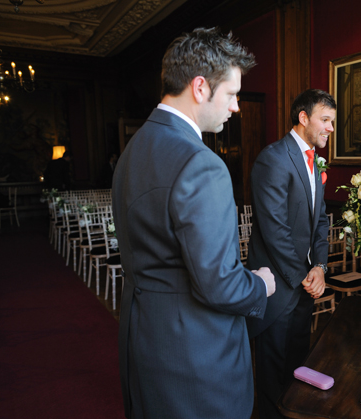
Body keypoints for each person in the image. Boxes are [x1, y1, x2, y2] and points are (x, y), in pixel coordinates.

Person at [111, 27, 276, 419]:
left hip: (142, 338)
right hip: (195, 357)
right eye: (232, 94)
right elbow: (219, 284)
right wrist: (260, 284)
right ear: (200, 87)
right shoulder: (201, 164)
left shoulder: (134, 148)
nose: (236, 107)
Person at [247, 89, 333, 419]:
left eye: (332, 122)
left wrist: (321, 267)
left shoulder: (313, 161)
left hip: (305, 284)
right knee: (271, 375)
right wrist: (303, 276)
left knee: (298, 366)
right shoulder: (273, 158)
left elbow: (321, 220)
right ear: (303, 118)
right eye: (325, 120)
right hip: (278, 287)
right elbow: (274, 231)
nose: (330, 128)